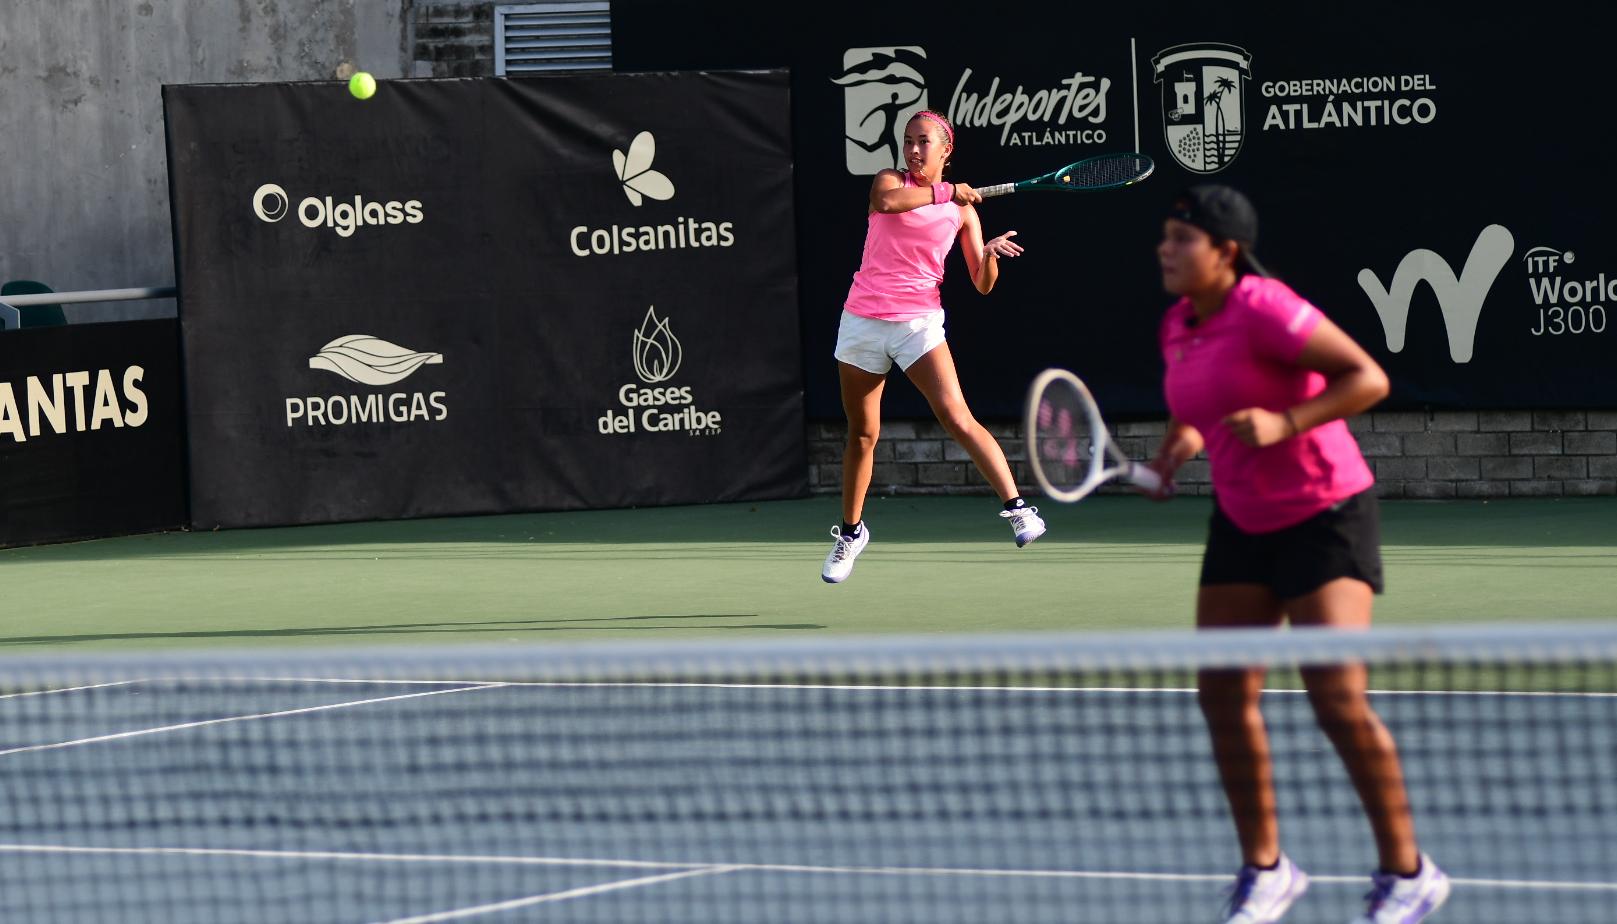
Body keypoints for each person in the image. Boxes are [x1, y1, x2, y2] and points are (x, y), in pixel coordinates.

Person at [1145, 185, 1450, 923]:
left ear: (1224, 252)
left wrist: (1286, 422)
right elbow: (1197, 415)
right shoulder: (1178, 324)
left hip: (1325, 514)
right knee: (1221, 694)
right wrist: (1172, 454)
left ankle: (1408, 873)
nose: (1164, 249)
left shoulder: (1266, 307)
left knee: (1336, 699)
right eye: (1163, 237)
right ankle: (1266, 868)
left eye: (1181, 239)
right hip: (1242, 520)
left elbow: (1367, 378)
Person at [821, 109, 1045, 584]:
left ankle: (1018, 508)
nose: (914, 150)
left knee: (956, 415)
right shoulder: (890, 182)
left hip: (918, 323)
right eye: (908, 141)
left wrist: (987, 255)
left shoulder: (964, 211)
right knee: (862, 434)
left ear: (947, 150)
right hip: (862, 321)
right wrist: (946, 191)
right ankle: (851, 531)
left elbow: (982, 285)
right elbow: (886, 203)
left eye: (924, 142)